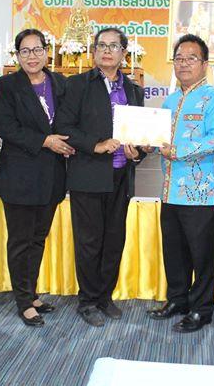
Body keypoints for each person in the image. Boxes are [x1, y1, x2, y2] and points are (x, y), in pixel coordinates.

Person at [55, 27, 145, 327]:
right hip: (89, 174)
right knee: (89, 241)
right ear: (93, 51)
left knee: (113, 240)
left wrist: (138, 153)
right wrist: (96, 145)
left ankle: (105, 296)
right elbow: (63, 126)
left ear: (124, 53)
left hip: (121, 176)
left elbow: (141, 136)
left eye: (114, 46)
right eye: (102, 45)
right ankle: (88, 300)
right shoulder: (77, 84)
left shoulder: (134, 90)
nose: (107, 51)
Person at [146, 34, 214, 333]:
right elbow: (159, 139)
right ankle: (177, 300)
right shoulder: (170, 100)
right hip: (170, 191)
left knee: (201, 255)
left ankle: (201, 309)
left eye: (191, 58)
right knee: (175, 251)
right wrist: (145, 143)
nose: (183, 64)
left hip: (200, 193)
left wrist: (179, 151)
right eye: (179, 58)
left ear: (205, 64)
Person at [0, 29, 71, 327]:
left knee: (38, 239)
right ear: (17, 56)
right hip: (20, 177)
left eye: (37, 49)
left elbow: (69, 121)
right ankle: (23, 301)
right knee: (20, 241)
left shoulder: (60, 83)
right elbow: (6, 127)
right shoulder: (7, 85)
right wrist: (45, 141)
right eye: (25, 51)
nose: (32, 56)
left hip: (52, 176)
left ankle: (32, 293)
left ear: (47, 52)